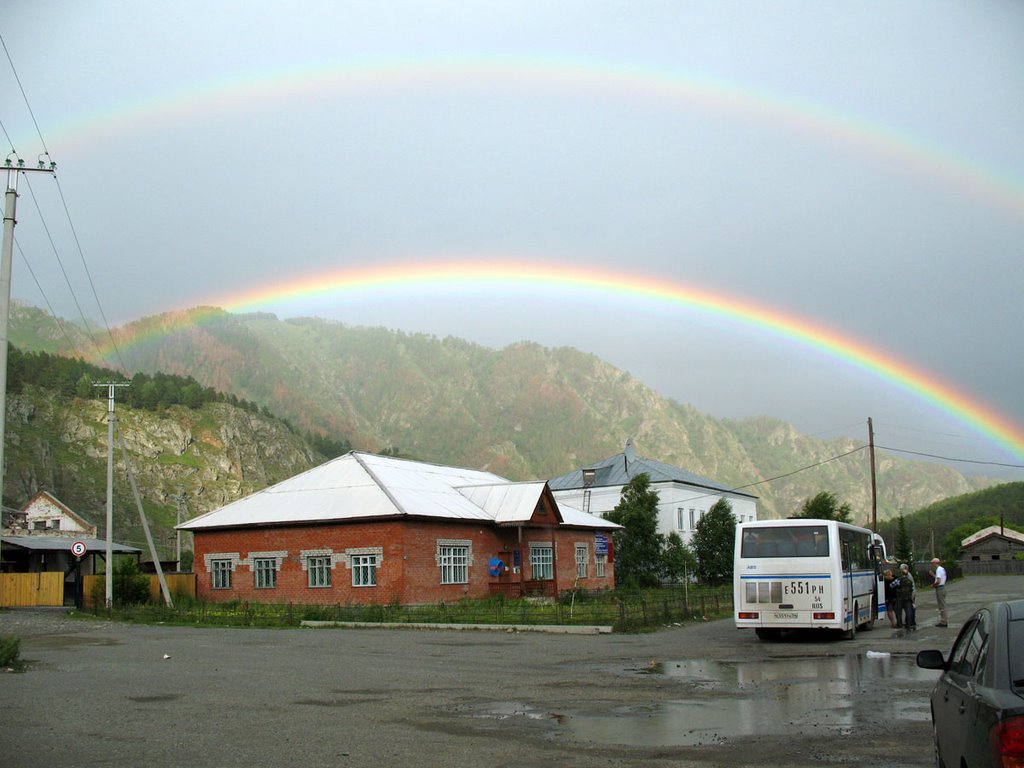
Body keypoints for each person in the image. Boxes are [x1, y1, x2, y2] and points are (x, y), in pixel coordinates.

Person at [894, 563, 916, 631]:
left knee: (899, 611)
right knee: (909, 610)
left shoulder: (899, 579)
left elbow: (892, 585)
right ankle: (909, 623)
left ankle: (900, 623)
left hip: (901, 597)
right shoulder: (909, 580)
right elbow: (912, 587)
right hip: (909, 596)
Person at [930, 557, 948, 627]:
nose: (932, 565)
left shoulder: (938, 570)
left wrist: (933, 585)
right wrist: (933, 575)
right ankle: (943, 620)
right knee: (942, 605)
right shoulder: (941, 569)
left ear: (935, 563)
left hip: (940, 588)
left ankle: (944, 621)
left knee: (942, 605)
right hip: (942, 587)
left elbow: (938, 581)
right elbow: (939, 578)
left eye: (933, 563)